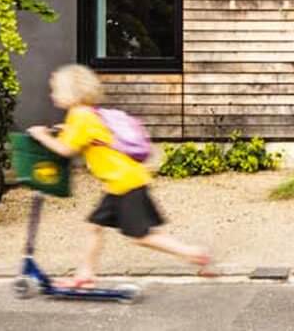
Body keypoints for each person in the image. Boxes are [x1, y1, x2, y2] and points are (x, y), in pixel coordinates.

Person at [28, 64, 213, 287]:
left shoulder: (79, 116)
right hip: (123, 181)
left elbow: (65, 150)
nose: (52, 95)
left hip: (124, 182)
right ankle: (85, 274)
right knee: (94, 226)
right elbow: (84, 137)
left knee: (140, 236)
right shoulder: (87, 114)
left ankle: (192, 253)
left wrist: (41, 136)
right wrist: (59, 131)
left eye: (56, 90)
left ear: (71, 92)